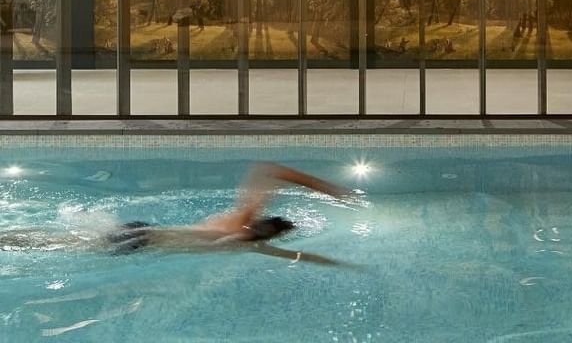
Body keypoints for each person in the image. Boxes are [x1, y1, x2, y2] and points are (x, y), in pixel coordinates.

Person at [0, 162, 349, 266]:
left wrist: (321, 185)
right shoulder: (240, 236)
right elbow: (289, 253)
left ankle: (8, 239)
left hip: (145, 231)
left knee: (58, 238)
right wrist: (335, 262)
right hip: (145, 240)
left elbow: (267, 171)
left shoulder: (233, 219)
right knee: (60, 245)